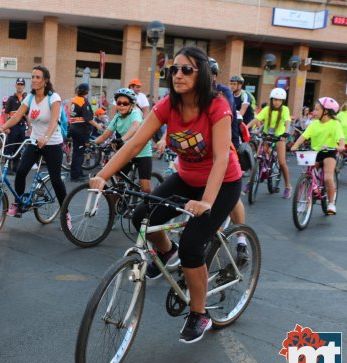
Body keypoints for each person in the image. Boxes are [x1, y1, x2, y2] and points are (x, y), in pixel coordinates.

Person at [90, 46, 242, 343]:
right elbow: (134, 145)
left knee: (192, 246)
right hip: (186, 177)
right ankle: (166, 252)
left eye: (187, 69)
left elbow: (222, 157)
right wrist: (102, 175)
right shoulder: (167, 106)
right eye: (174, 69)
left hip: (222, 183)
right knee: (140, 216)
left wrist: (207, 202)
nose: (178, 75)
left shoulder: (217, 105)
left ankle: (200, 314)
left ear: (201, 76)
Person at [0, 65, 67, 220]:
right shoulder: (30, 98)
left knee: (56, 179)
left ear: (45, 80)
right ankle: (19, 204)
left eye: (38, 77)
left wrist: (45, 137)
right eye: (32, 77)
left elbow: (54, 121)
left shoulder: (54, 98)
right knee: (20, 171)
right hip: (34, 142)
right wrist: (1, 128)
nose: (34, 80)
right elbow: (17, 116)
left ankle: (65, 212)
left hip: (52, 142)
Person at [208, 59, 248, 262]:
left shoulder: (222, 93)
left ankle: (241, 238)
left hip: (227, 146)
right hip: (201, 150)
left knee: (230, 194)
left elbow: (224, 116)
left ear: (214, 75)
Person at [291, 97, 345, 214]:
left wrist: (341, 146)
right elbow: (303, 136)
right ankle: (303, 201)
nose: (314, 112)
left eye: (317, 110)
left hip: (329, 152)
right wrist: (295, 145)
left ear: (326, 111)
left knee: (327, 177)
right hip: (315, 152)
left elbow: (341, 138)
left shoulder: (335, 124)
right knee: (307, 174)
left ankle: (331, 204)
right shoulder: (314, 124)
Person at [94, 88, 153, 193]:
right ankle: (119, 205)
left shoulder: (135, 114)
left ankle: (149, 208)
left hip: (142, 152)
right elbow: (104, 136)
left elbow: (134, 127)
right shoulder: (117, 117)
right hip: (128, 151)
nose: (121, 105)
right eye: (119, 103)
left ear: (131, 105)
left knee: (145, 188)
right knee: (118, 184)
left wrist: (121, 139)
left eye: (125, 103)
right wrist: (91, 143)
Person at [246, 88, 292, 198]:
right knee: (258, 157)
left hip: (279, 137)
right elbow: (256, 119)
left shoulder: (285, 109)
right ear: (271, 100)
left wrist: (286, 133)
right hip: (267, 135)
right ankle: (250, 181)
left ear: (282, 102)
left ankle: (287, 187)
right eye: (275, 99)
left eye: (280, 100)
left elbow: (287, 121)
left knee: (281, 162)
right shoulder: (266, 109)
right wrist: (246, 128)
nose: (277, 102)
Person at [68, 83, 104, 181]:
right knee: (78, 153)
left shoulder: (74, 100)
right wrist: (98, 126)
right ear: (86, 91)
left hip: (74, 128)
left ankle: (79, 172)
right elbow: (88, 118)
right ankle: (75, 176)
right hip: (81, 130)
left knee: (78, 152)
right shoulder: (83, 101)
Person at [3, 77, 29, 174]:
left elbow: (26, 115)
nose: (20, 86)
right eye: (18, 84)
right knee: (10, 146)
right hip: (13, 127)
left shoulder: (25, 100)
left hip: (22, 126)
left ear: (24, 86)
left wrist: (30, 127)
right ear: (15, 85)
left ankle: (15, 166)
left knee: (19, 146)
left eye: (22, 84)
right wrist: (6, 127)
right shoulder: (11, 99)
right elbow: (6, 113)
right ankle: (7, 166)